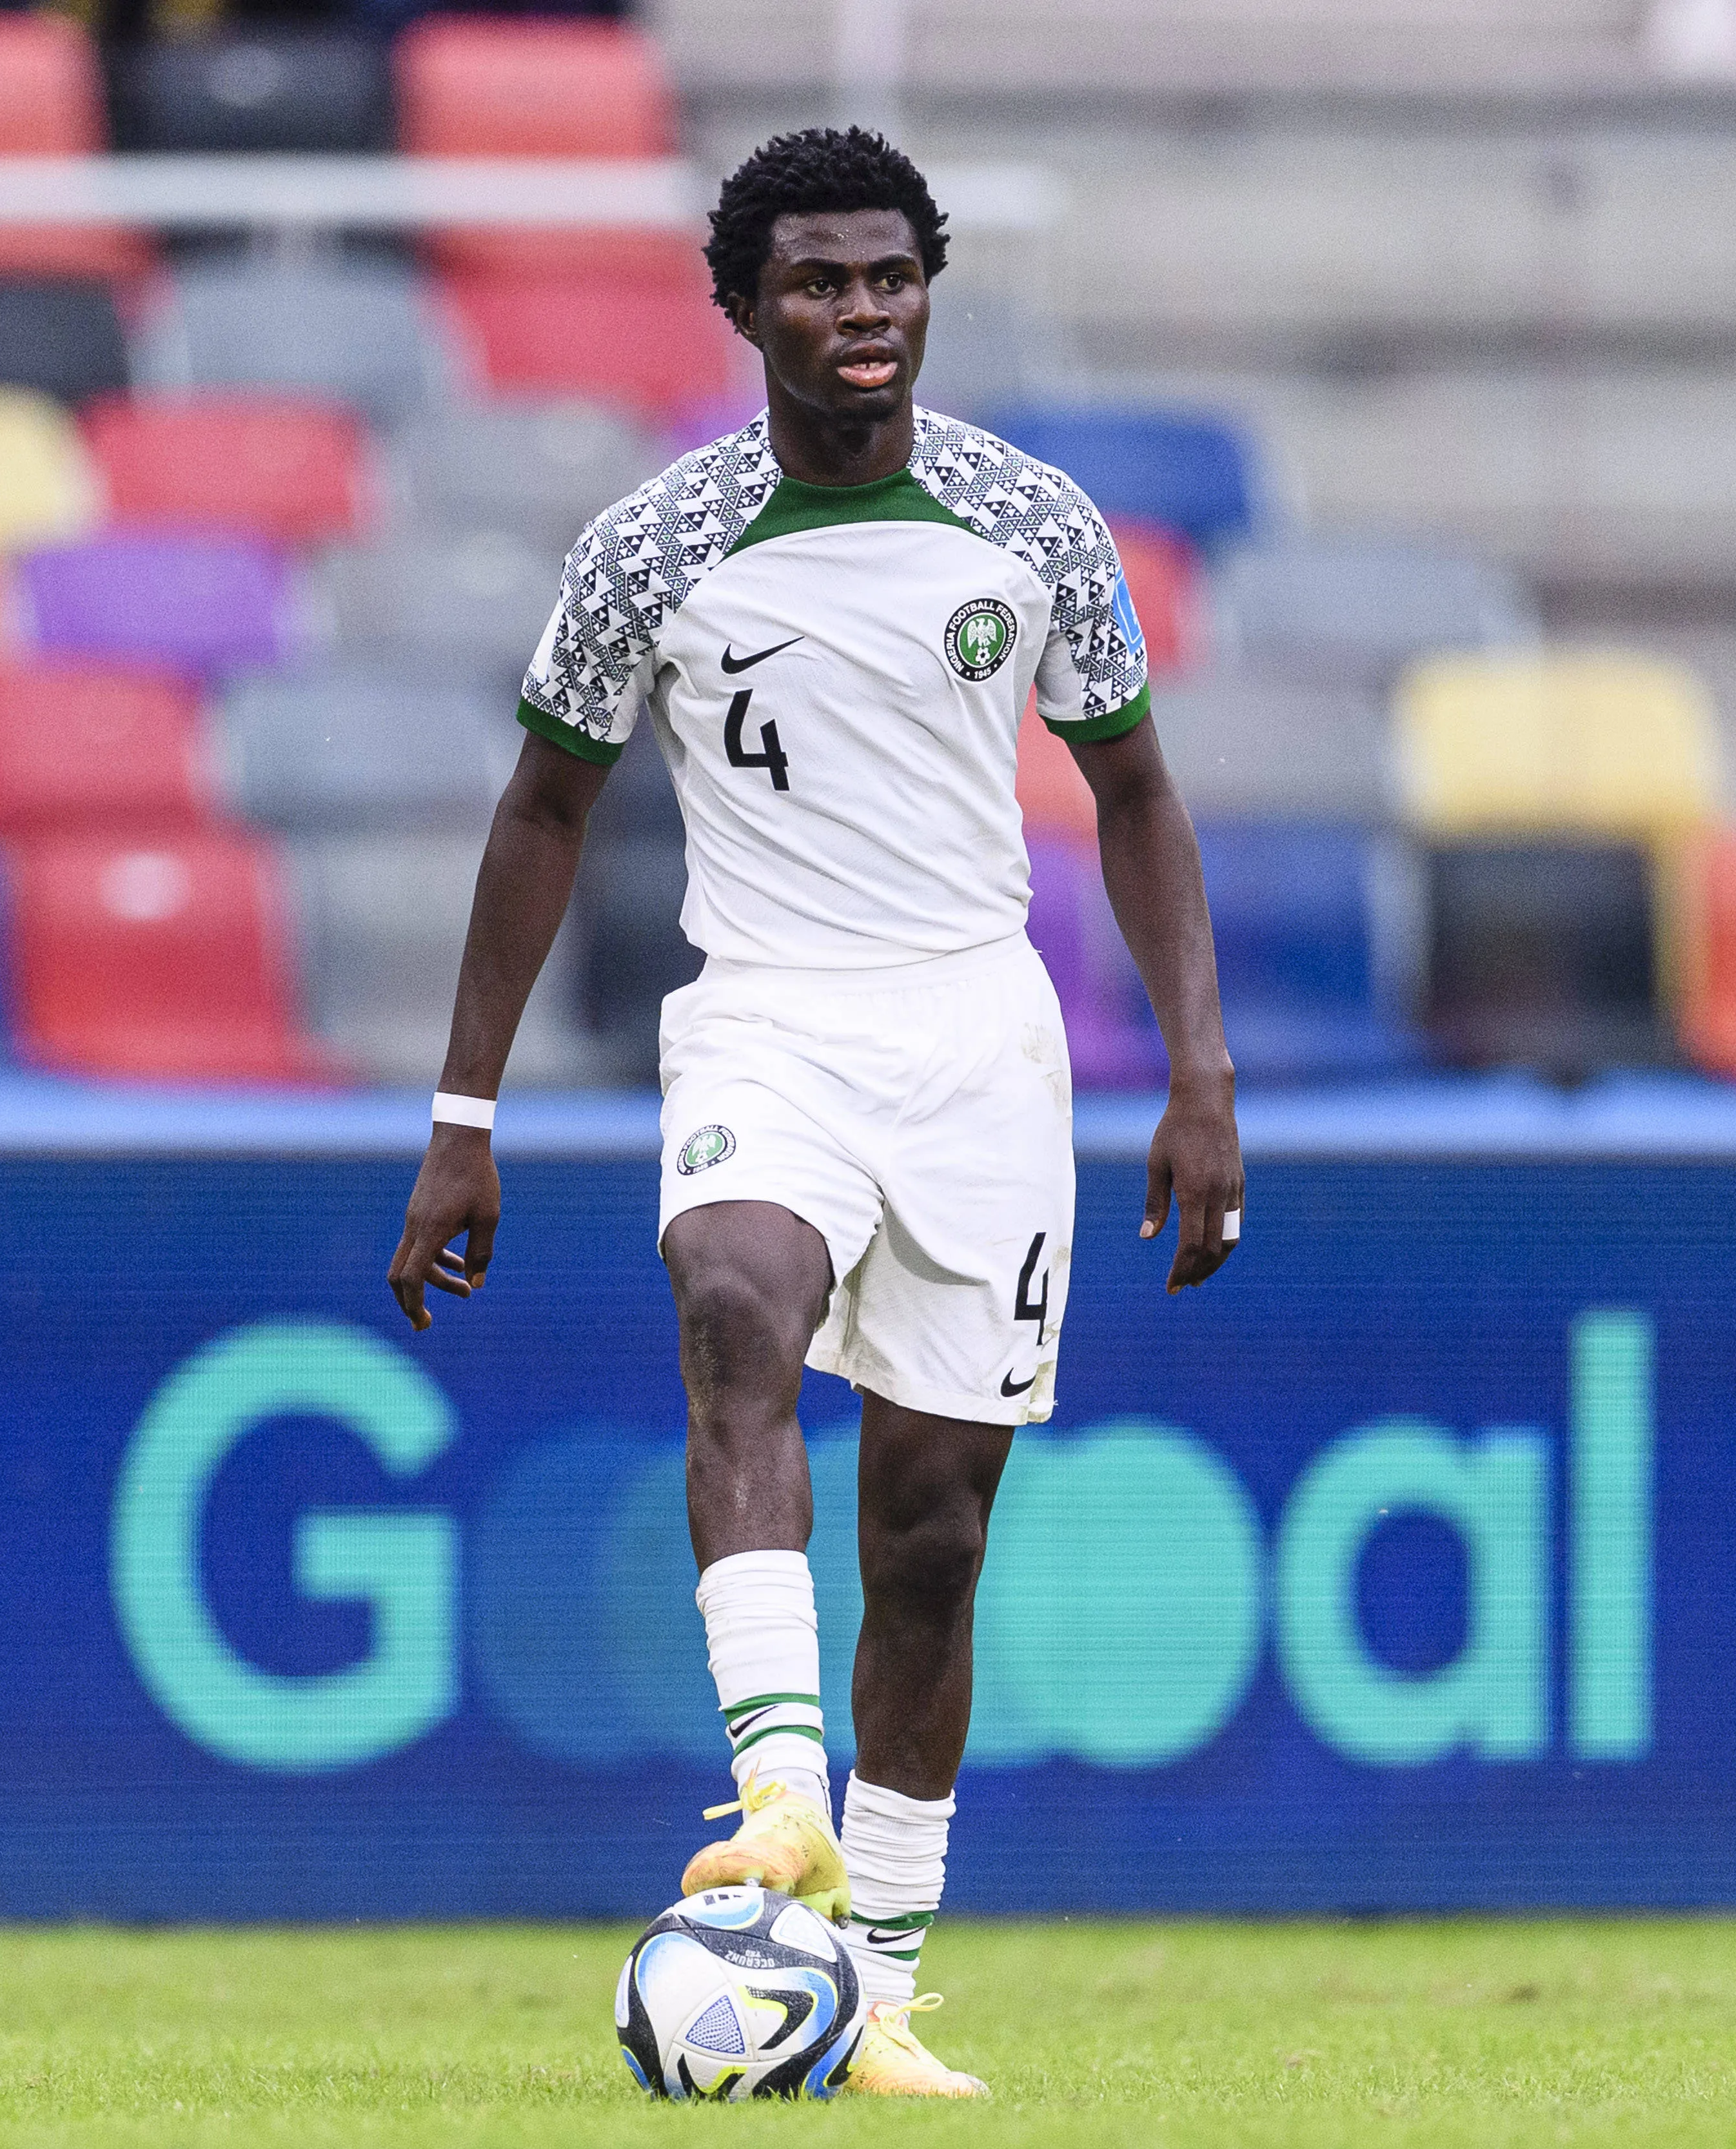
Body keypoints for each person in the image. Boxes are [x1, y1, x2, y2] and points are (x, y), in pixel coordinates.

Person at [388, 126, 1245, 2099]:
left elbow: (1136, 793)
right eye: (816, 283)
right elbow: (545, 810)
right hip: (766, 1017)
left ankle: (875, 1983)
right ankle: (777, 1796)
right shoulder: (654, 547)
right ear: (745, 307)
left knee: (934, 1529)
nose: (859, 314)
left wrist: (1198, 1074)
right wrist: (465, 1111)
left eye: (888, 279)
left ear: (927, 290)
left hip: (978, 1046)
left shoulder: (1033, 527)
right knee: (733, 1306)